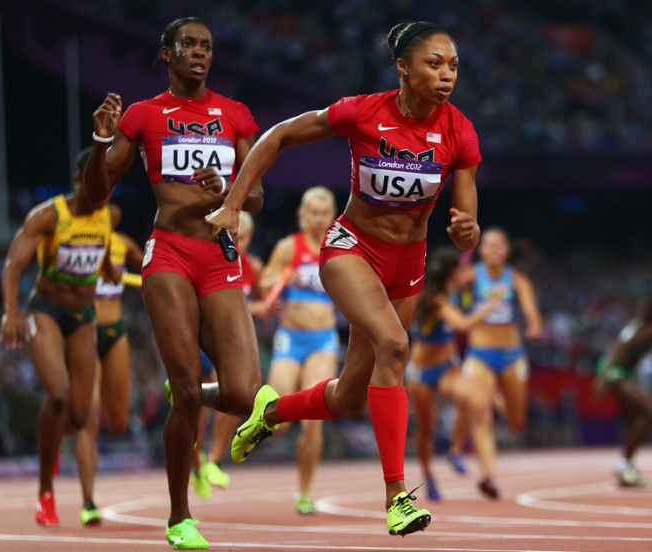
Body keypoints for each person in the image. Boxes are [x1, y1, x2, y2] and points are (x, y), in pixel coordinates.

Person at [205, 20, 481, 536]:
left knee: (351, 398)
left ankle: (271, 411)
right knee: (395, 348)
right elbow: (281, 135)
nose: (447, 75)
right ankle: (397, 497)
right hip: (352, 249)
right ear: (403, 67)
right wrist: (232, 203)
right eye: (435, 64)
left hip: (409, 263)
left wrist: (467, 230)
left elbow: (466, 233)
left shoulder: (459, 129)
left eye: (454, 66)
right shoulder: (363, 111)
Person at [84, 16, 265, 549]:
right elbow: (97, 195)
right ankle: (179, 516)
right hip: (169, 255)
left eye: (207, 46)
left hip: (219, 253)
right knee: (186, 393)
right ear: (166, 54)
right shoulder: (143, 115)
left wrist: (226, 188)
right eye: (188, 44)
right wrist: (100, 140)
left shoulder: (235, 115)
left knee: (241, 393)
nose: (199, 53)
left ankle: (187, 391)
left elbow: (254, 198)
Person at [0, 148, 115, 528]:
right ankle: (46, 490)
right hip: (45, 311)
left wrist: (111, 269)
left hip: (83, 316)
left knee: (81, 415)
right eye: (98, 182)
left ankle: (49, 443)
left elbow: (102, 256)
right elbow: (14, 264)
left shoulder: (107, 216)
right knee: (60, 395)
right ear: (81, 181)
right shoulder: (49, 215)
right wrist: (11, 311)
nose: (104, 190)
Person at [257, 186, 339, 515]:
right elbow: (264, 284)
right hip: (290, 339)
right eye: (313, 212)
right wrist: (279, 279)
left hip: (323, 341)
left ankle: (304, 493)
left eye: (324, 213)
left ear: (332, 215)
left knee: (313, 419)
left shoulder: (338, 248)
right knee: (278, 419)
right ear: (303, 215)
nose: (319, 219)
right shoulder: (288, 246)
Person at [406, 247, 502, 501]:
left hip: (447, 367)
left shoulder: (456, 290)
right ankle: (428, 476)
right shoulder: (436, 300)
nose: (466, 273)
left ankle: (455, 451)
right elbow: (462, 324)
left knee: (469, 398)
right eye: (461, 270)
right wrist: (491, 306)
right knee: (425, 429)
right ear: (451, 274)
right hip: (421, 373)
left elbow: (472, 277)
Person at [193, 211, 275, 499]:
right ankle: (197, 463)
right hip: (203, 337)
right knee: (196, 412)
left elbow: (259, 299)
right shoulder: (211, 259)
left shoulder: (251, 266)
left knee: (232, 394)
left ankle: (213, 459)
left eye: (245, 237)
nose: (239, 241)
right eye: (235, 235)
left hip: (230, 343)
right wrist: (255, 309)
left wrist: (266, 303)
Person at [459, 228, 542, 499]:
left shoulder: (517, 279)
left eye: (499, 245)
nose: (494, 249)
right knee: (479, 415)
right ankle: (489, 477)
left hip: (511, 355)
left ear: (506, 251)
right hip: (480, 353)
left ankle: (499, 400)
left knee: (516, 421)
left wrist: (533, 325)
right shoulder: (471, 276)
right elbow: (447, 292)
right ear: (481, 251)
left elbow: (531, 311)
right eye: (489, 245)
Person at [76, 222, 144, 525]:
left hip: (115, 330)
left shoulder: (123, 243)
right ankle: (88, 501)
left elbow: (153, 270)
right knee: (88, 416)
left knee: (117, 423)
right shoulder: (72, 239)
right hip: (82, 330)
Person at [594, 290, 652, 488]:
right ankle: (623, 464)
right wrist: (603, 377)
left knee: (636, 419)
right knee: (650, 413)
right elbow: (618, 347)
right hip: (616, 370)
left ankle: (626, 466)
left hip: (626, 371)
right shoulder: (649, 329)